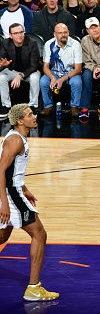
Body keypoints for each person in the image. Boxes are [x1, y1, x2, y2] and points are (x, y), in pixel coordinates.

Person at [0, 104, 60, 302]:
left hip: (14, 192)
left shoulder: (18, 138)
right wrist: (5, 204)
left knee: (2, 236)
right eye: (29, 115)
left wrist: (25, 189)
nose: (34, 116)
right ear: (20, 121)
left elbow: (12, 172)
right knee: (39, 233)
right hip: (10, 195)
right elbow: (0, 171)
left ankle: (34, 287)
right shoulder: (15, 140)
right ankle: (34, 288)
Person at [39, 23, 83, 117]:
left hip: (71, 72)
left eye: (65, 32)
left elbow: (78, 69)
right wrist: (52, 77)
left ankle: (74, 106)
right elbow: (45, 67)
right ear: (55, 34)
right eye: (60, 33)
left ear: (68, 33)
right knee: (43, 81)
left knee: (77, 82)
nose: (63, 35)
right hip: (54, 72)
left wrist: (62, 79)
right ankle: (48, 106)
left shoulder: (75, 44)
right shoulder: (49, 44)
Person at [0, 23, 41, 115]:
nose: (19, 35)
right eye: (16, 33)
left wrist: (20, 75)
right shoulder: (5, 43)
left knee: (35, 77)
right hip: (12, 71)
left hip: (29, 71)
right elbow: (1, 61)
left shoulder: (32, 43)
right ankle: (6, 106)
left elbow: (34, 65)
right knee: (1, 77)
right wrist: (3, 65)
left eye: (21, 32)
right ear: (10, 35)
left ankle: (33, 106)